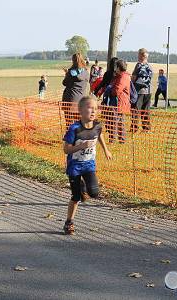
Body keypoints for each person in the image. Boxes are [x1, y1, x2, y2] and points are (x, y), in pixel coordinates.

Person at [63, 96, 112, 235]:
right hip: (75, 167)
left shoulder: (97, 126)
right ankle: (69, 222)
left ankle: (84, 186)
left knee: (94, 193)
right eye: (90, 108)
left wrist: (106, 149)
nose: (93, 111)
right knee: (76, 196)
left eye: (95, 108)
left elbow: (99, 134)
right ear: (80, 110)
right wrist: (82, 146)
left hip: (89, 165)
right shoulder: (75, 129)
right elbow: (66, 149)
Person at [62, 53, 90, 128]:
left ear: (73, 60)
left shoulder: (70, 72)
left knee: (69, 124)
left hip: (69, 100)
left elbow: (64, 83)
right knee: (80, 123)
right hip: (81, 100)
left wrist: (66, 74)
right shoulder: (86, 72)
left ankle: (71, 139)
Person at [108, 59, 131, 143]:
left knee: (113, 120)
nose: (115, 68)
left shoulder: (123, 77)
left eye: (116, 66)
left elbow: (116, 90)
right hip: (120, 101)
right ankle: (121, 139)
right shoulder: (120, 76)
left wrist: (110, 90)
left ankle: (112, 140)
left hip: (119, 101)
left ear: (119, 67)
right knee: (119, 121)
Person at [131, 48, 153, 132]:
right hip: (148, 91)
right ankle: (146, 128)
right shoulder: (150, 66)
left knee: (136, 110)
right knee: (146, 110)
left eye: (138, 54)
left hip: (139, 91)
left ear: (141, 55)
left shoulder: (139, 65)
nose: (138, 56)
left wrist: (131, 85)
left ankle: (134, 128)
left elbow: (134, 77)